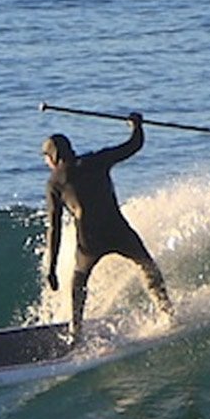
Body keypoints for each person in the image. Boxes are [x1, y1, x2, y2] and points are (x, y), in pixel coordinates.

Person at [44, 112, 173, 340]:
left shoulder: (55, 182)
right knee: (147, 266)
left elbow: (54, 228)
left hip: (89, 241)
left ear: (53, 157)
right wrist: (137, 125)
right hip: (117, 230)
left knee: (78, 283)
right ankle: (167, 313)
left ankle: (76, 331)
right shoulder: (96, 160)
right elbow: (133, 146)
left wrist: (51, 269)